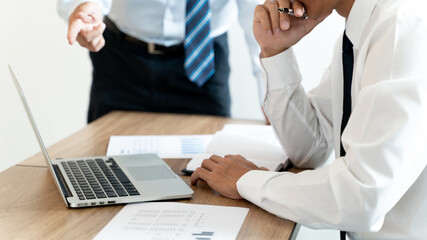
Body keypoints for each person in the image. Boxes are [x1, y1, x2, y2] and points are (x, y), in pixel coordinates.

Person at [191, 0, 427, 239]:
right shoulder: (361, 29)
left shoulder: (401, 27)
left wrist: (249, 182)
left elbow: (361, 196)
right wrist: (275, 51)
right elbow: (311, 149)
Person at [57, 0, 264, 123]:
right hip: (122, 60)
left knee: (210, 171)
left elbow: (258, 12)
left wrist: (272, 98)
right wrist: (84, 9)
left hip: (202, 61)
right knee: (106, 173)